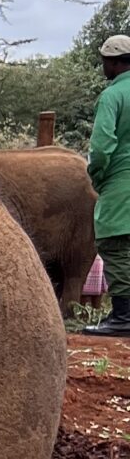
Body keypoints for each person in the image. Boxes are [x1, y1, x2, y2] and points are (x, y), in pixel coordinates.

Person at [84, 31, 130, 337]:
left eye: (105, 62)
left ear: (113, 62)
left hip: (121, 182)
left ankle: (124, 317)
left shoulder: (113, 95)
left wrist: (98, 176)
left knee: (116, 243)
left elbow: (101, 147)